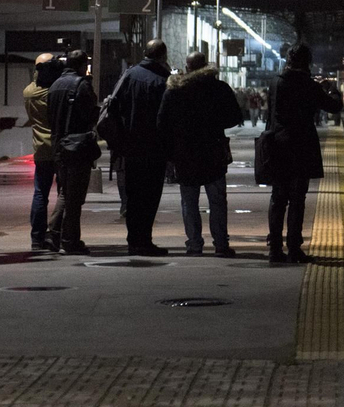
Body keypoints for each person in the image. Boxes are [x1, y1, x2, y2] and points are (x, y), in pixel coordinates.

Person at [158, 51, 244, 256]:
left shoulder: (174, 90)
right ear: (205, 65)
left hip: (184, 154)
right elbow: (235, 117)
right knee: (217, 201)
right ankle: (221, 244)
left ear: (187, 67)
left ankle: (195, 244)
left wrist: (170, 152)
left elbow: (162, 123)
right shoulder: (219, 88)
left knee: (189, 201)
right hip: (213, 151)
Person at [265, 43, 343, 264]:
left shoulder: (276, 82)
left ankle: (274, 251)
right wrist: (332, 89)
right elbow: (334, 107)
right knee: (297, 199)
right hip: (301, 147)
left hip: (277, 146)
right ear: (307, 62)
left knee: (278, 198)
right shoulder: (308, 85)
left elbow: (270, 116)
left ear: (288, 60)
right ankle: (294, 248)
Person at [109, 39, 173, 256]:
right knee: (150, 196)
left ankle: (133, 239)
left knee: (133, 196)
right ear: (162, 56)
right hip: (154, 148)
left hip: (131, 146)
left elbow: (113, 106)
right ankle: (144, 240)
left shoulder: (129, 74)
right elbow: (167, 118)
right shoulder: (163, 80)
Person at [47, 49, 99, 255]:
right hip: (77, 146)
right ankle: (70, 240)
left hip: (59, 145)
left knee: (65, 193)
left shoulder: (54, 85)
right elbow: (90, 114)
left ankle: (54, 233)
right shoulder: (81, 85)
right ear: (82, 65)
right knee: (75, 197)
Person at [23, 53, 67, 252]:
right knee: (64, 193)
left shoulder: (29, 92)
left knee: (40, 194)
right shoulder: (57, 90)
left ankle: (36, 237)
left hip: (41, 147)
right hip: (60, 147)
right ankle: (57, 232)